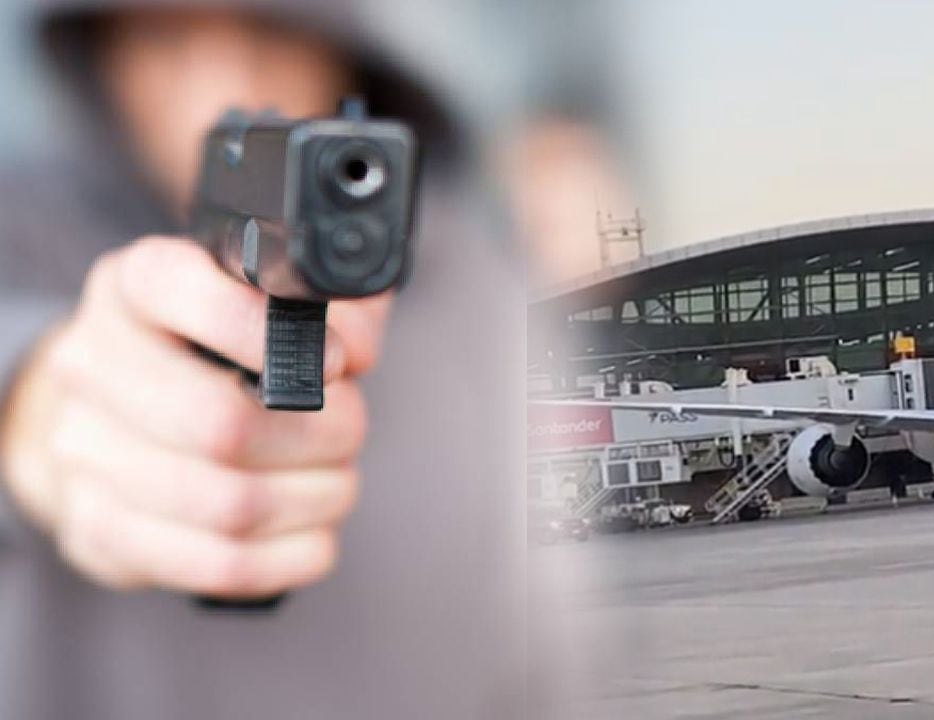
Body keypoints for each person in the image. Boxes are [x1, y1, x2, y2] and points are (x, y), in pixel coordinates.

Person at [0, 2, 548, 717]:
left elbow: (525, 634)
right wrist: (31, 404)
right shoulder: (19, 221)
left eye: (273, 30)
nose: (228, 85)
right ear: (101, 48)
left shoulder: (472, 283)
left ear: (345, 53)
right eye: (167, 34)